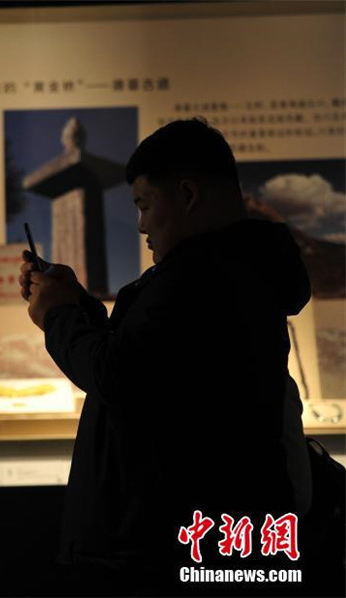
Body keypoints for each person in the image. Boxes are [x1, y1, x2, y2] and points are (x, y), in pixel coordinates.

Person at [19, 118, 312, 596]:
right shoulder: (233, 269)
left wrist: (59, 316)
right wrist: (75, 305)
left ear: (188, 195)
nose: (140, 225)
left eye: (144, 205)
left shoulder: (200, 279)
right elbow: (141, 360)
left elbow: (116, 374)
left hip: (169, 546)